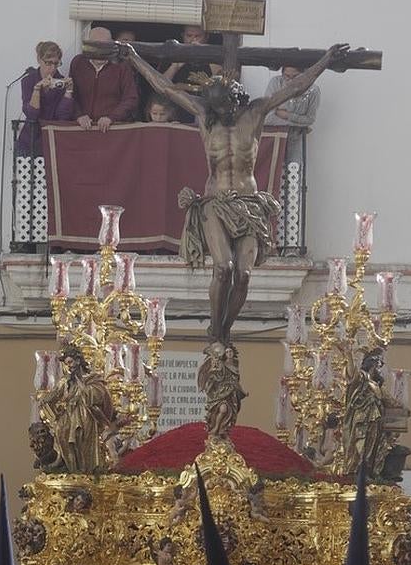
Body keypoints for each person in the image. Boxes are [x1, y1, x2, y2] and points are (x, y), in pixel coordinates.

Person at [120, 40, 349, 344]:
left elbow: (295, 88)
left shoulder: (255, 113)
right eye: (217, 107)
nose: (223, 112)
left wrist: (324, 61)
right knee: (224, 268)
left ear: (236, 99)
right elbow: (166, 88)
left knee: (244, 273)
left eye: (227, 106)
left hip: (249, 203)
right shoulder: (205, 115)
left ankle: (225, 330)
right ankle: (216, 331)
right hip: (215, 202)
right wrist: (135, 58)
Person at [39, 344, 116, 474]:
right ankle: (68, 465)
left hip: (86, 415)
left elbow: (98, 396)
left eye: (70, 362)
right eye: (67, 364)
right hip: (69, 415)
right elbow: (53, 395)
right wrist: (48, 405)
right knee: (61, 432)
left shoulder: (91, 378)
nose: (69, 366)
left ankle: (86, 470)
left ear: (78, 360)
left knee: (82, 439)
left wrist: (78, 382)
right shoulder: (65, 381)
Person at [341, 345, 399, 477]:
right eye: (378, 365)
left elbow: (391, 402)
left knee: (372, 447)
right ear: (372, 364)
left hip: (376, 421)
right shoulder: (362, 377)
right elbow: (352, 375)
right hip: (361, 420)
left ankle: (368, 471)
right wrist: (349, 356)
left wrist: (401, 406)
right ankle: (355, 471)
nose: (380, 369)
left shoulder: (378, 386)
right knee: (359, 445)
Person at [70, 27, 139, 131]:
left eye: (105, 45)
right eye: (96, 44)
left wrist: (111, 117)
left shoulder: (122, 66)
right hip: (83, 129)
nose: (101, 49)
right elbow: (70, 93)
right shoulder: (78, 63)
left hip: (112, 129)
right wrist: (79, 115)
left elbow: (131, 98)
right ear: (89, 44)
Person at [17, 41, 75, 157]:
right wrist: (37, 89)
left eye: (56, 63)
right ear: (39, 60)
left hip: (52, 141)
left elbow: (63, 116)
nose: (52, 68)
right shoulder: (29, 80)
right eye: (48, 63)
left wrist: (68, 92)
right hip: (30, 141)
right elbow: (31, 114)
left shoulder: (61, 82)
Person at [264, 66, 320, 164]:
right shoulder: (276, 83)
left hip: (295, 137)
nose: (290, 80)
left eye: (295, 77)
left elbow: (310, 119)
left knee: (294, 169)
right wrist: (299, 123)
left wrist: (286, 115)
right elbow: (267, 117)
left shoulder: (313, 91)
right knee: (270, 171)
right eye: (286, 76)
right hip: (273, 135)